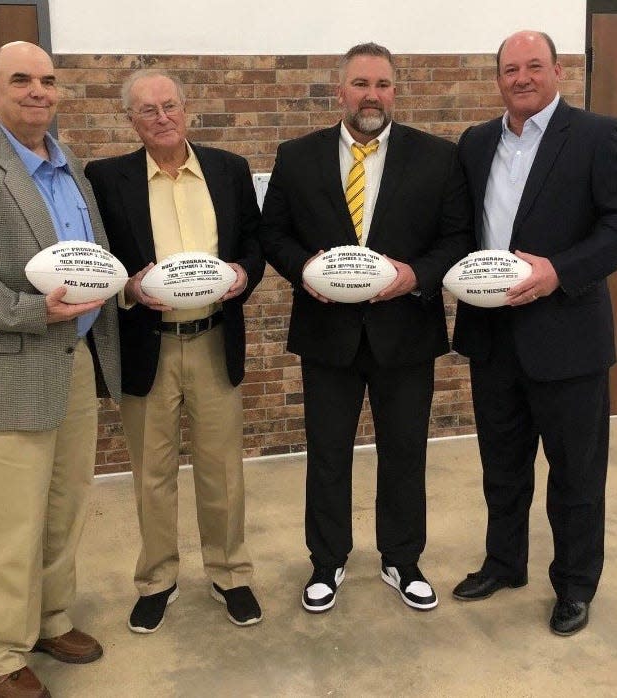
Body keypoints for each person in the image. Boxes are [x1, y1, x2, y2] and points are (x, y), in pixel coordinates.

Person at [259, 42, 472, 614]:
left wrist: (415, 276)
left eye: (382, 84)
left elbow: (457, 238)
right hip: (327, 333)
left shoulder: (437, 157)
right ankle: (326, 562)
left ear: (395, 91)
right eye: (360, 83)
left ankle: (402, 560)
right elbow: (272, 233)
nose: (371, 94)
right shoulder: (297, 155)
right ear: (340, 91)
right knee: (328, 453)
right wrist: (303, 268)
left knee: (405, 451)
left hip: (406, 331)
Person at [85, 69, 265, 632]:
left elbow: (254, 245)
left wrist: (243, 272)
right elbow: (99, 260)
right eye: (147, 110)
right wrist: (130, 289)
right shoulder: (107, 178)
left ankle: (231, 573)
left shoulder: (229, 170)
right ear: (130, 120)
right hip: (149, 346)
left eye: (169, 106)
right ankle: (157, 579)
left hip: (213, 340)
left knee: (222, 470)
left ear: (186, 108)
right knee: (152, 473)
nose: (161, 117)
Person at [451, 30, 617, 636]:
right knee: (502, 464)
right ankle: (504, 563)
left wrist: (558, 271)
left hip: (568, 337)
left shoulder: (597, 136)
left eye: (533, 66)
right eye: (510, 69)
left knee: (575, 473)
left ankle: (574, 585)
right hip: (492, 337)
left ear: (558, 71)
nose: (521, 78)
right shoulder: (475, 143)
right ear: (498, 78)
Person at [0, 42, 121, 698]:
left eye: (48, 80)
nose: (38, 91)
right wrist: (37, 311)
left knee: (65, 507)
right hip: (9, 369)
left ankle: (49, 617)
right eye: (21, 80)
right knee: (7, 522)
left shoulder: (72, 170)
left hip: (75, 364)